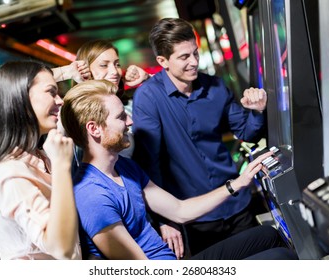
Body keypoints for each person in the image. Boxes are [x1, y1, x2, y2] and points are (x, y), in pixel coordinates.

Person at [60, 79, 297, 260]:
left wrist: (238, 182)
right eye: (121, 117)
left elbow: (180, 210)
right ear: (94, 128)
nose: (130, 122)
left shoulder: (124, 167)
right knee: (281, 258)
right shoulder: (91, 195)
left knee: (269, 235)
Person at [131, 17, 268, 257]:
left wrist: (257, 110)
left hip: (237, 203)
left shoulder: (215, 87)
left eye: (195, 53)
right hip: (195, 216)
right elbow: (149, 165)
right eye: (184, 57)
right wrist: (165, 219)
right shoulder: (149, 98)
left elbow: (247, 132)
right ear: (162, 61)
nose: (194, 62)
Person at [0, 61, 80, 260]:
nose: (60, 101)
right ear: (21, 100)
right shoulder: (10, 173)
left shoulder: (41, 156)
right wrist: (61, 166)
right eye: (51, 92)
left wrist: (69, 71)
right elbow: (60, 248)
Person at [74, 39, 150, 158]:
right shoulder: (74, 113)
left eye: (117, 64)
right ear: (84, 70)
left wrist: (147, 78)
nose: (115, 71)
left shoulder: (128, 107)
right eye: (104, 65)